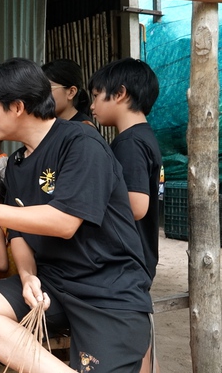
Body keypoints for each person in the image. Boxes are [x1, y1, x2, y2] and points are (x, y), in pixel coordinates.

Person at [0, 58, 153, 372]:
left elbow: (64, 222)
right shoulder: (18, 162)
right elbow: (18, 232)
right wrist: (27, 274)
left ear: (17, 106)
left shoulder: (81, 143)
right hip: (52, 284)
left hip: (106, 290)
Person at [89, 58, 162, 373]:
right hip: (141, 255)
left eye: (95, 96)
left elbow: (136, 205)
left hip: (131, 259)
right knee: (141, 340)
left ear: (118, 93)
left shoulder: (129, 143)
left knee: (133, 346)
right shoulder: (143, 136)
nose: (91, 105)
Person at [42, 59, 95, 126]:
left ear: (71, 92)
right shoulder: (50, 124)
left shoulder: (83, 128)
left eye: (48, 88)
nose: (42, 94)